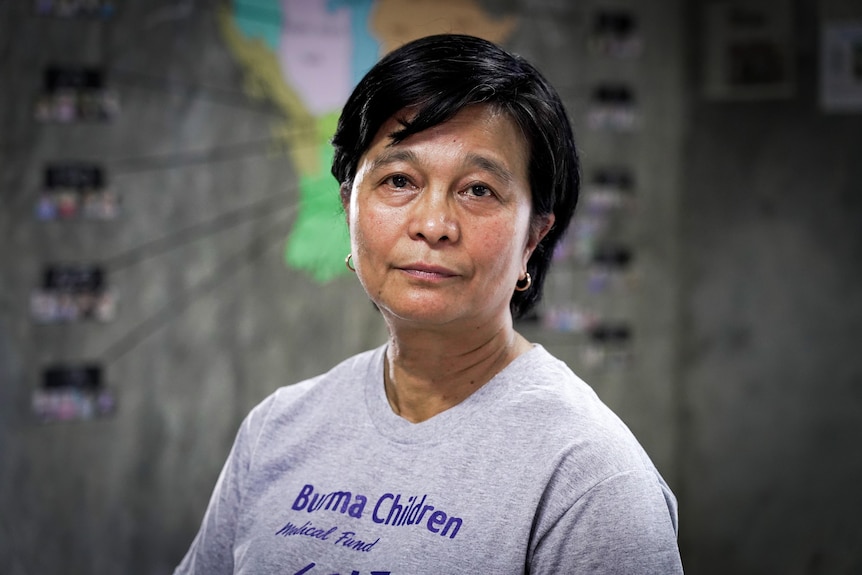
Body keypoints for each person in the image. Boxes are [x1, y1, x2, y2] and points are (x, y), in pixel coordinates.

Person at [175, 33, 683, 574]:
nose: (433, 225)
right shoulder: (278, 428)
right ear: (348, 206)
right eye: (398, 180)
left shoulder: (591, 478)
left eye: (478, 190)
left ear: (533, 237)